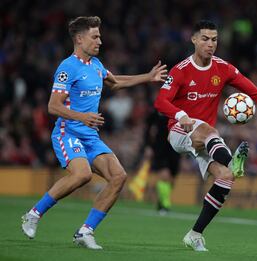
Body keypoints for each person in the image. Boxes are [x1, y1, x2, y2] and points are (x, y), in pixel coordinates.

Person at [21, 16, 167, 250]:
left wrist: (147, 77)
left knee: (118, 176)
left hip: (89, 136)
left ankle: (85, 231)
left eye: (99, 35)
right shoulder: (67, 67)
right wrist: (82, 117)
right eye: (95, 36)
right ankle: (34, 214)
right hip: (67, 132)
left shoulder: (96, 65)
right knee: (82, 175)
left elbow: (116, 82)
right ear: (79, 39)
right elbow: (53, 106)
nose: (100, 40)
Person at [154, 20, 257, 252]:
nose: (210, 44)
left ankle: (195, 234)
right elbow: (160, 101)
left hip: (206, 141)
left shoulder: (223, 68)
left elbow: (253, 90)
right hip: (179, 132)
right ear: (194, 40)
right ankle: (232, 161)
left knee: (226, 177)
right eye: (205, 39)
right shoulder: (181, 70)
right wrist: (181, 115)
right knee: (209, 130)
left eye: (214, 39)